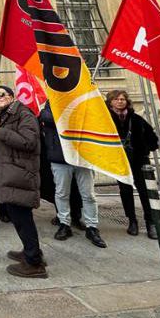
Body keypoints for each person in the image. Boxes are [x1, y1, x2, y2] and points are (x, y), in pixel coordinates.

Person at [0, 85, 47, 278]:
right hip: (12, 174)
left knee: (22, 218)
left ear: (12, 96)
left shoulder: (23, 114)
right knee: (19, 217)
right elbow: (8, 143)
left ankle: (34, 264)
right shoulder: (4, 115)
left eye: (2, 94)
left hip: (20, 174)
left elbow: (28, 142)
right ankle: (32, 251)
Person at [40, 102, 107, 248]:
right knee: (62, 193)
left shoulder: (83, 100)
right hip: (60, 158)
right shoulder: (52, 102)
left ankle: (92, 227)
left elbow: (94, 118)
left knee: (88, 194)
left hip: (83, 157)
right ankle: (64, 223)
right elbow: (47, 117)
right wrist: (72, 115)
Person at [107, 90, 159, 239]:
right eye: (116, 99)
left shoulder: (136, 119)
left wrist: (144, 150)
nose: (120, 101)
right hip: (120, 162)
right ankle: (132, 221)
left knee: (145, 191)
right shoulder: (106, 121)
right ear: (110, 102)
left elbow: (153, 139)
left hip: (139, 161)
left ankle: (150, 222)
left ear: (127, 102)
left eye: (122, 99)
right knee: (125, 191)